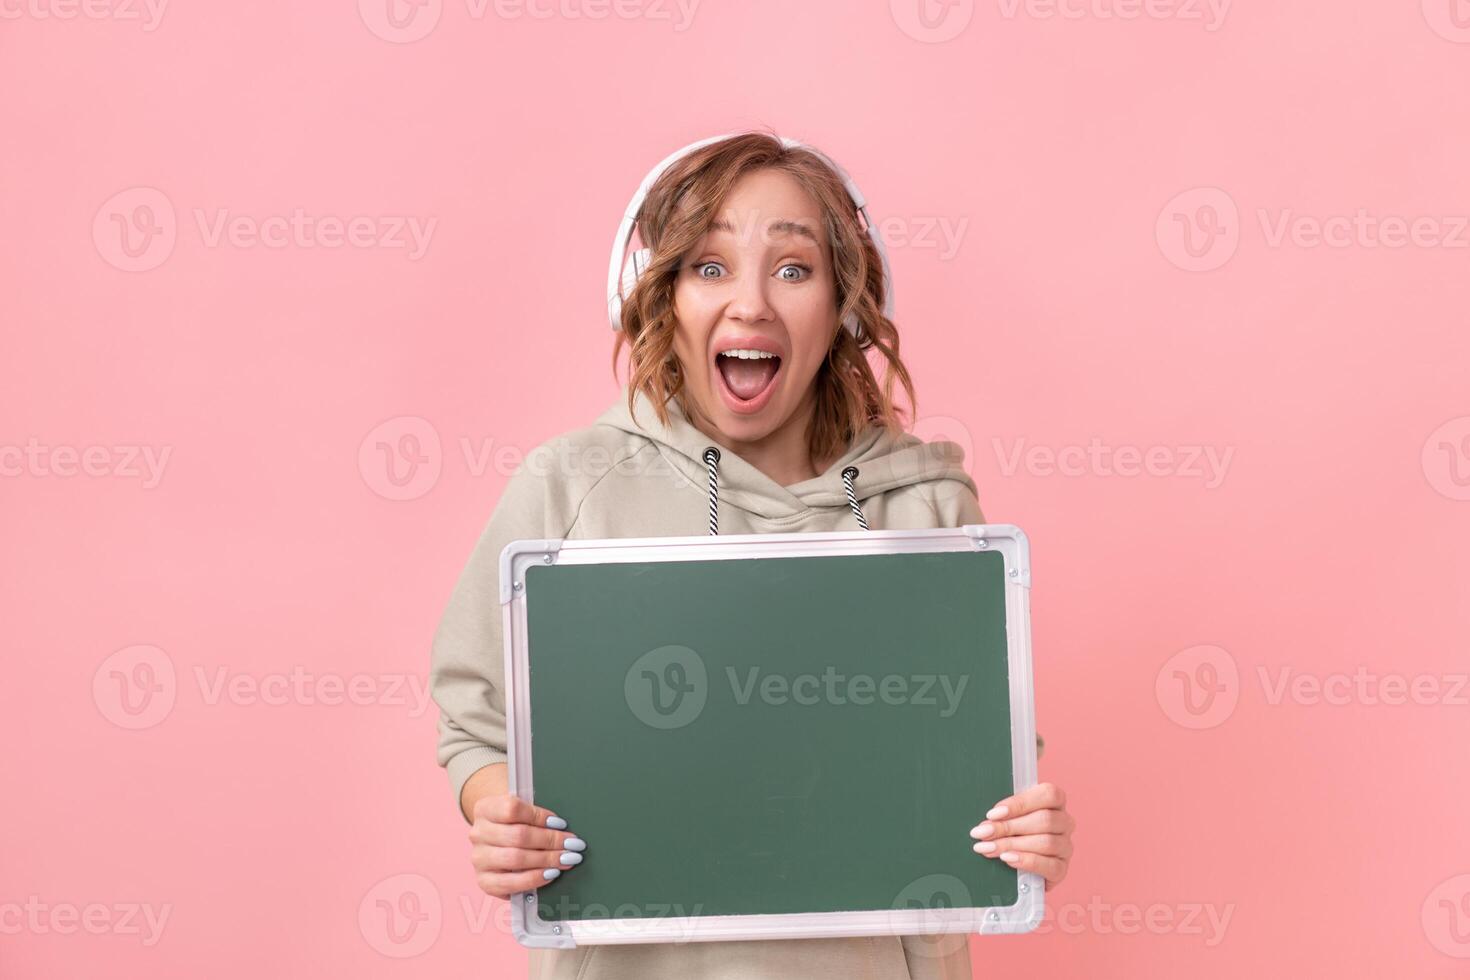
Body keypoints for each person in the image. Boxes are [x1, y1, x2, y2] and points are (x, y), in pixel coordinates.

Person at [429, 130, 1076, 980]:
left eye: (794, 268)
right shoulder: (571, 483)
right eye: (708, 267)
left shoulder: (924, 501)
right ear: (658, 297)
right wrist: (498, 815)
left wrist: (1028, 836)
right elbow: (474, 717)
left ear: (844, 304)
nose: (751, 305)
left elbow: (985, 762)